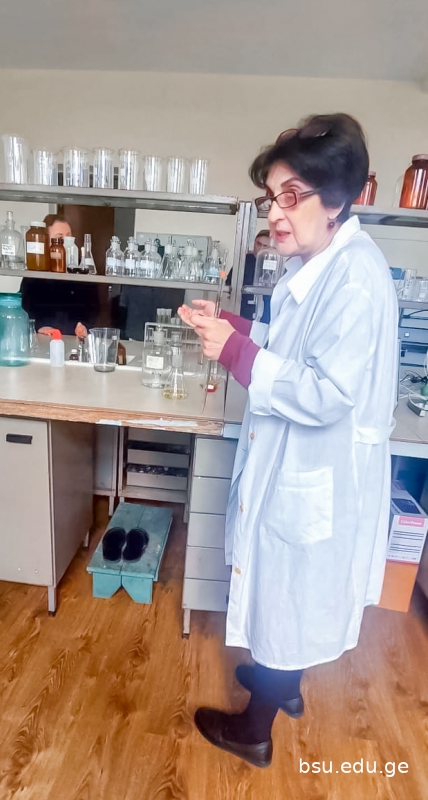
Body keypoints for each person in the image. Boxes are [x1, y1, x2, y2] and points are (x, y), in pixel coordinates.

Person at [178, 113, 398, 768]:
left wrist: (234, 353)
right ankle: (285, 684)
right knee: (287, 594)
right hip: (304, 463)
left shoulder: (355, 277)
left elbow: (326, 391)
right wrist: (233, 326)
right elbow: (292, 346)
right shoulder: (326, 261)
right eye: (271, 197)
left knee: (287, 592)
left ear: (337, 198)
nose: (275, 212)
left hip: (318, 469)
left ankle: (254, 731)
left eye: (292, 195)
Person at [21, 214, 100, 334]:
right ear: (46, 241)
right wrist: (38, 327)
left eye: (69, 236)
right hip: (44, 339)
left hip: (74, 340)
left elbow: (94, 307)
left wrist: (84, 327)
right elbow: (24, 309)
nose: (66, 242)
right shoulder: (35, 274)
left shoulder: (81, 270)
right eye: (59, 237)